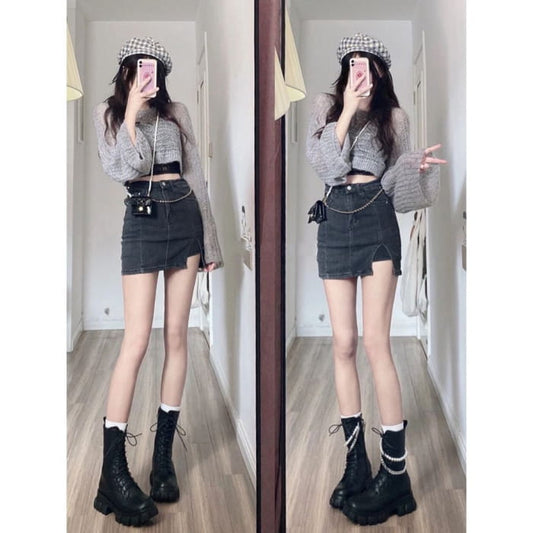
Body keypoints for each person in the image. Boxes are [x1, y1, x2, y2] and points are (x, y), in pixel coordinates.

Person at [306, 33, 446, 526]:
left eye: (368, 63)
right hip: (334, 221)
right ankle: (355, 462)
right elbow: (326, 166)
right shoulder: (326, 106)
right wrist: (346, 109)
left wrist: (410, 167)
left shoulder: (396, 119)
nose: (360, 69)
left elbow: (397, 193)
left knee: (375, 344)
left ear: (382, 71)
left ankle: (396, 474)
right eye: (352, 62)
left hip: (378, 221)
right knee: (342, 343)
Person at [92, 37, 223, 526]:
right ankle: (113, 472)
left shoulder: (178, 112)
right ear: (126, 71)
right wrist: (130, 113)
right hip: (143, 218)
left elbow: (197, 177)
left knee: (176, 337)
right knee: (136, 341)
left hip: (183, 215)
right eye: (138, 67)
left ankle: (163, 459)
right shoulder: (109, 114)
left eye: (154, 68)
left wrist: (210, 244)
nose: (147, 75)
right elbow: (122, 167)